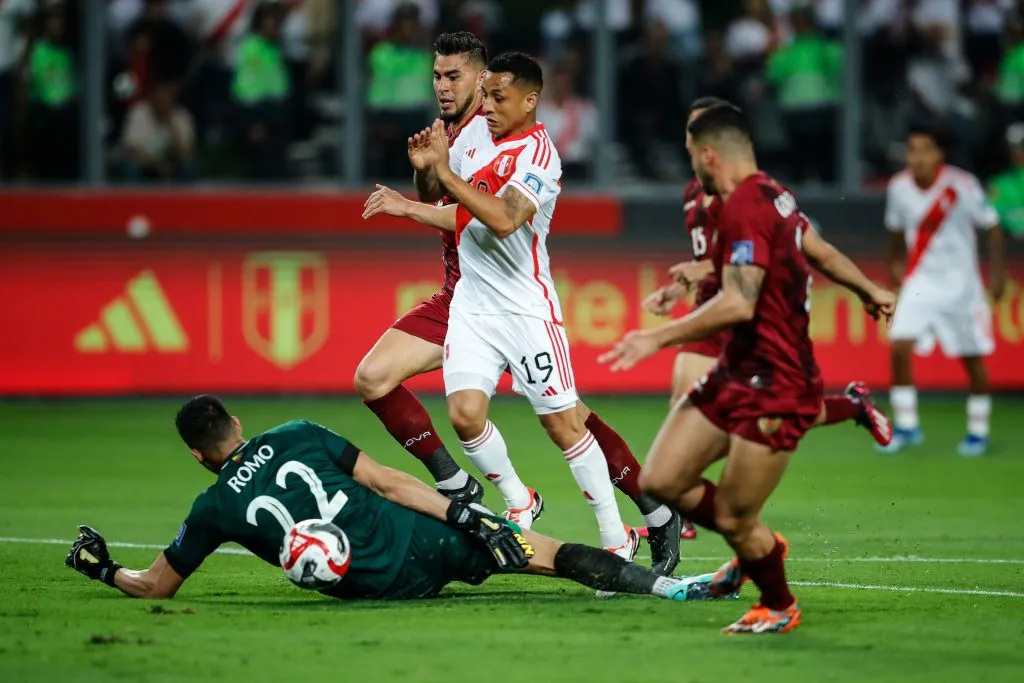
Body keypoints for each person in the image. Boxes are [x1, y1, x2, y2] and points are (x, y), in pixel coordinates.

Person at [357, 35, 684, 575]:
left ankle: (649, 510)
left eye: (455, 77)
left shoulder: (515, 140)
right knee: (379, 379)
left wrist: (421, 196)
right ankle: (464, 485)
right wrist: (424, 174)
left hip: (514, 296)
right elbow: (439, 196)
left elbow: (488, 214)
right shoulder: (457, 140)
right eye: (437, 77)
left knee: (568, 418)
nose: (444, 87)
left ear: (484, 79)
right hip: (462, 296)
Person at [598, 103, 896, 634]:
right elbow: (809, 255)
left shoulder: (745, 205)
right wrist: (867, 288)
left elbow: (738, 301)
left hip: (778, 382)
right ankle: (758, 547)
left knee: (736, 516)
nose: (692, 167)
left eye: (692, 157)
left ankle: (776, 600)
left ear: (709, 155)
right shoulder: (770, 198)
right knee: (661, 479)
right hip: (736, 370)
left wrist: (656, 338)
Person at [63, 395, 723, 604]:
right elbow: (386, 480)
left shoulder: (212, 509)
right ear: (235, 422)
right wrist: (468, 512)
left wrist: (102, 568)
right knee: (549, 553)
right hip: (429, 537)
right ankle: (676, 590)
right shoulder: (299, 431)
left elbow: (156, 584)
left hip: (380, 587)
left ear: (197, 453)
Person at [646, 98, 893, 446]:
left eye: (702, 128)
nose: (694, 137)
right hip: (712, 313)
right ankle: (682, 491)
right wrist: (679, 287)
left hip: (755, 317)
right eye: (691, 129)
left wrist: (869, 289)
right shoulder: (694, 193)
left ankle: (851, 407)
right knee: (683, 411)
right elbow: (712, 256)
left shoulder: (757, 197)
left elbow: (815, 250)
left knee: (767, 414)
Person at [882, 125, 1006, 456]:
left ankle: (977, 431)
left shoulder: (961, 185)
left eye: (925, 149)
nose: (917, 157)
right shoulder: (898, 188)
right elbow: (895, 231)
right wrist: (893, 266)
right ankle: (907, 426)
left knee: (972, 359)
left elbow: (992, 228)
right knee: (899, 346)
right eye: (911, 150)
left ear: (939, 154)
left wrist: (997, 276)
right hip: (920, 282)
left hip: (961, 286)